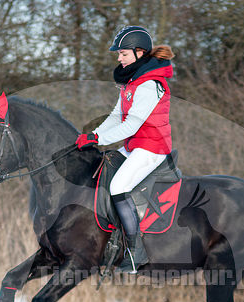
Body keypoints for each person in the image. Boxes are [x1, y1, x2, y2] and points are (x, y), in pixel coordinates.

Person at [75, 25, 175, 273]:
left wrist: (98, 139)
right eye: (119, 54)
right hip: (134, 146)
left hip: (152, 148)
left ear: (140, 53)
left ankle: (135, 253)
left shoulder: (150, 84)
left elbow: (131, 125)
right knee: (101, 171)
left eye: (123, 54)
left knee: (119, 187)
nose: (119, 58)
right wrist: (94, 134)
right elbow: (117, 115)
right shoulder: (132, 81)